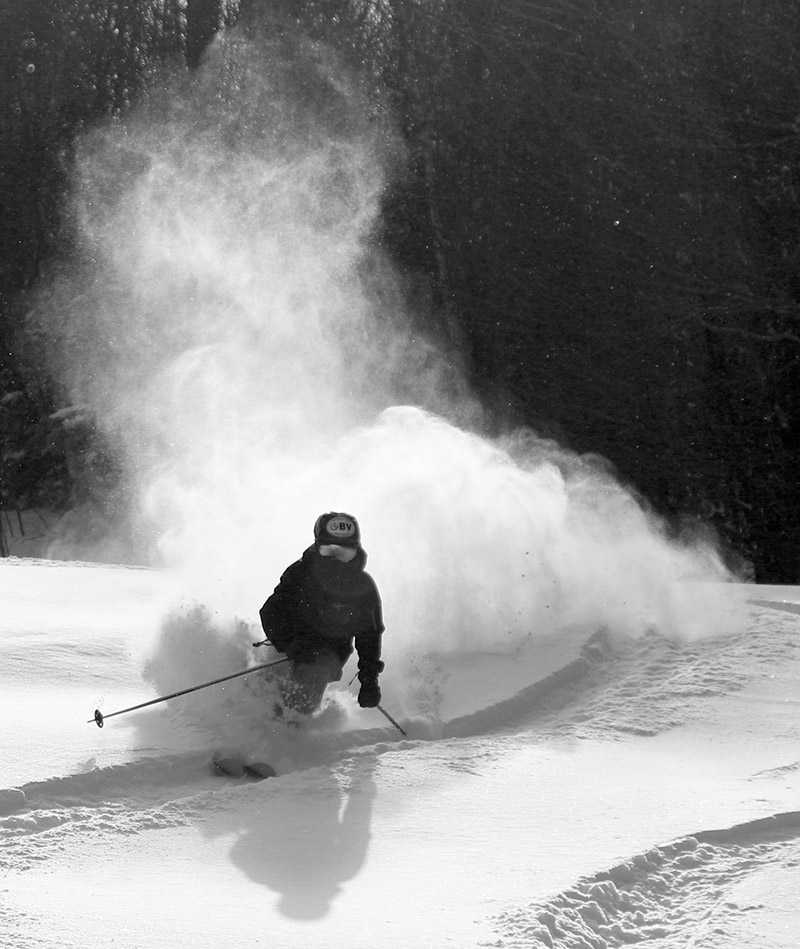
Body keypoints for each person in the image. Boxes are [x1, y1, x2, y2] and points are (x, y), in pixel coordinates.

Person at [259, 512, 385, 716]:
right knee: (269, 681)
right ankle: (258, 712)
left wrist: (369, 680)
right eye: (330, 552)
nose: (337, 561)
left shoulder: (362, 587)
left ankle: (292, 723)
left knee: (310, 680)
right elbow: (271, 612)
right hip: (290, 642)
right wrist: (292, 645)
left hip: (329, 652)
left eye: (345, 554)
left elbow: (369, 636)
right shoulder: (300, 573)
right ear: (317, 547)